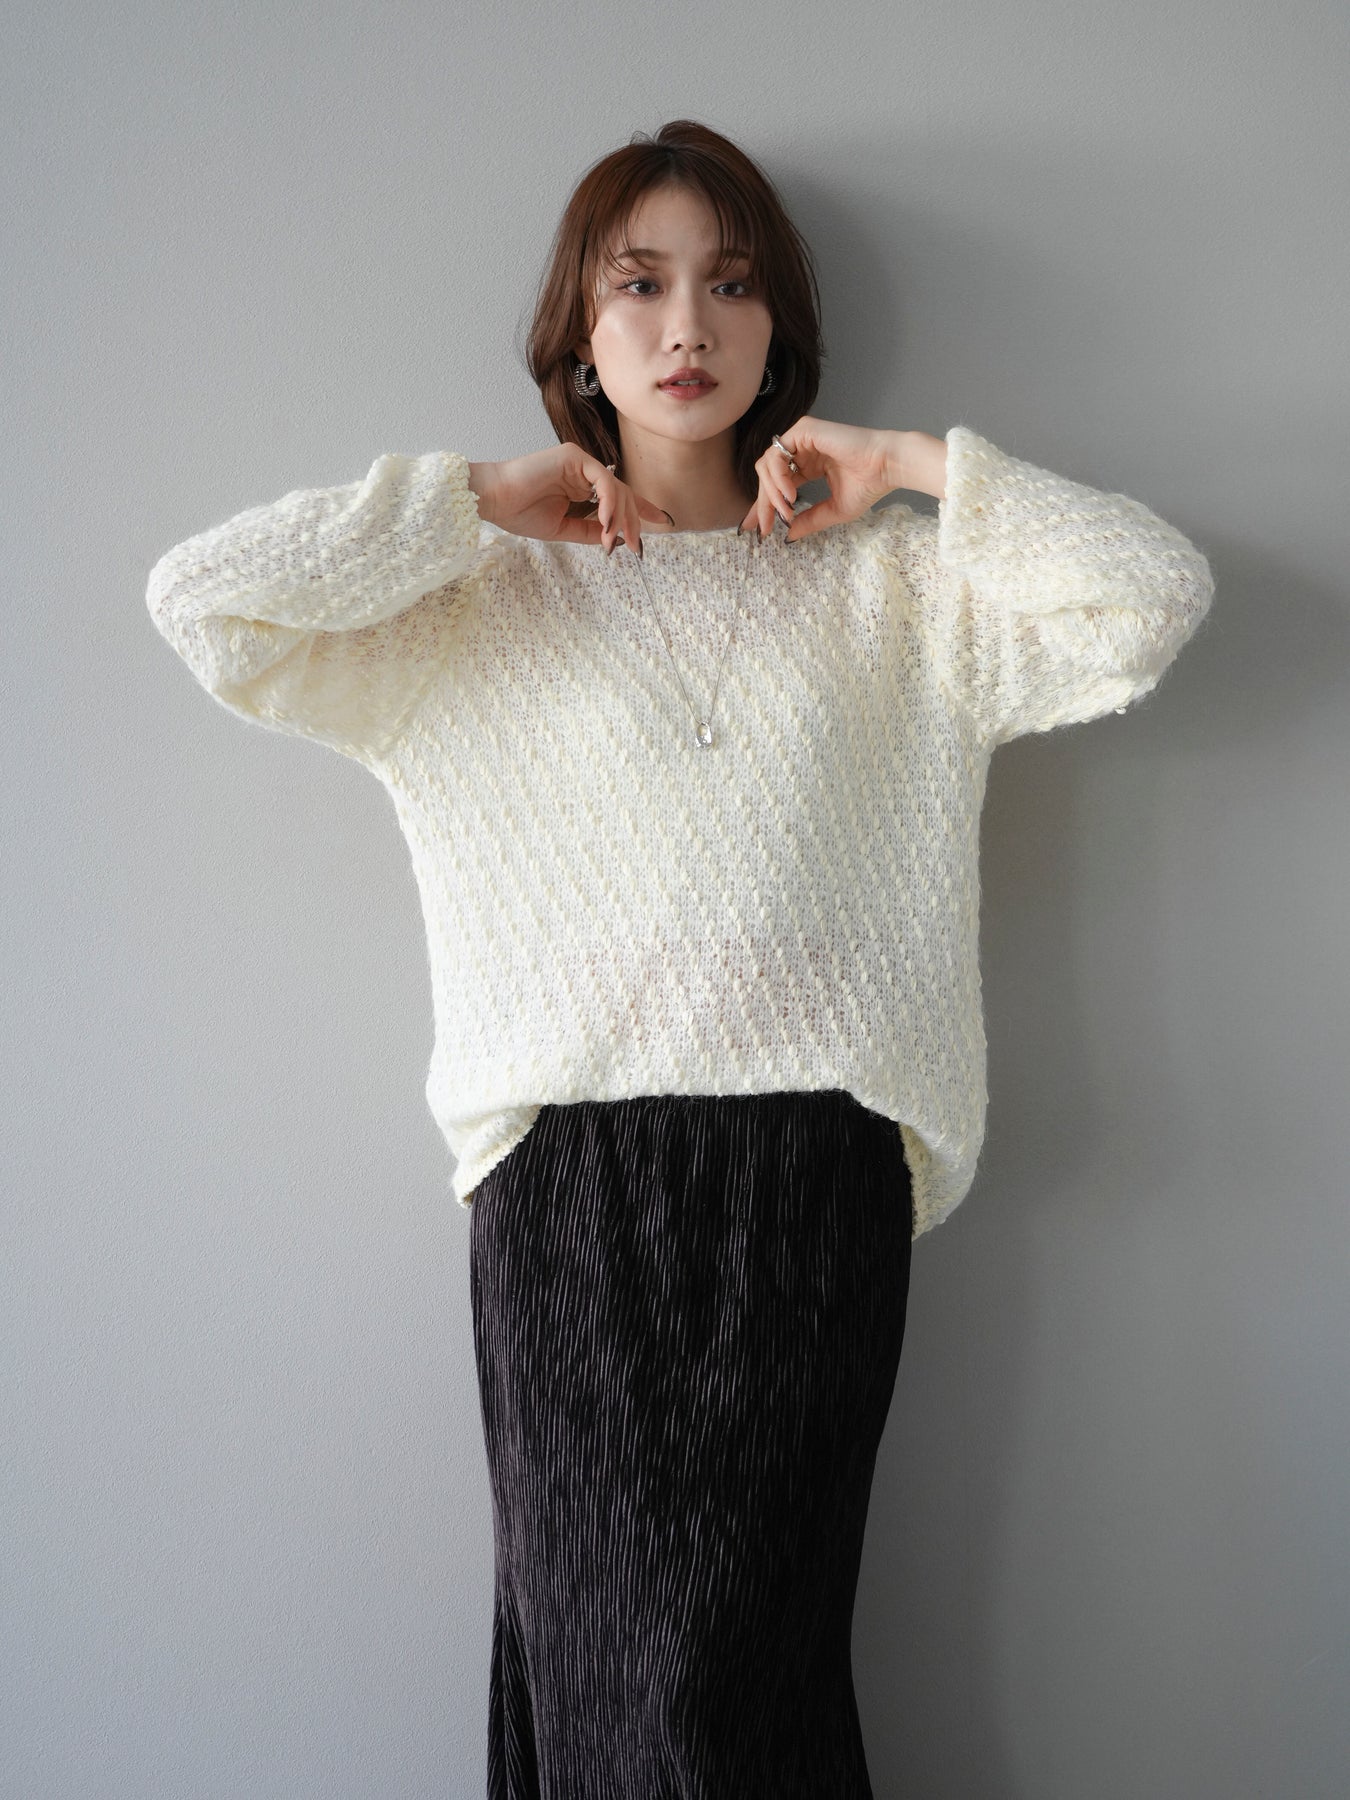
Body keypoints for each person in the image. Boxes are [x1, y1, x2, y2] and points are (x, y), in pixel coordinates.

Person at [145, 119, 1214, 1798]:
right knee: (607, 1676)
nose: (686, 326)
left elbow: (1148, 594)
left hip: (817, 1185)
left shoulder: (899, 597)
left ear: (781, 326)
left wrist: (913, 466)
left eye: (730, 284)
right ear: (579, 332)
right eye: (636, 286)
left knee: (744, 1686)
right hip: (564, 1192)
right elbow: (203, 604)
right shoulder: (471, 601)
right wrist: (472, 496)